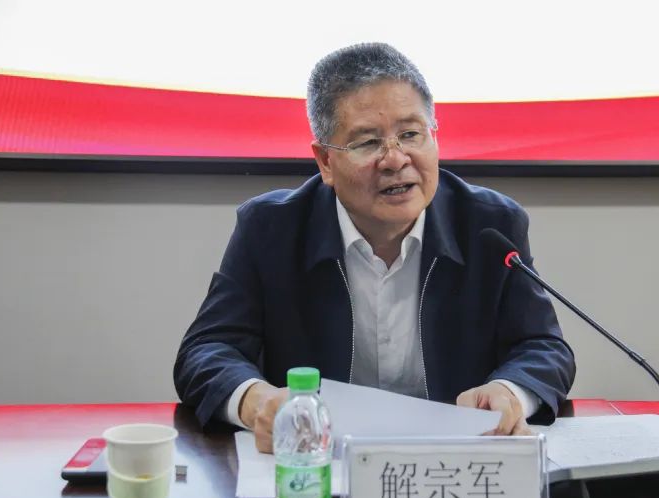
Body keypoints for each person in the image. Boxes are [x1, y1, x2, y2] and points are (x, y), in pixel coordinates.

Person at [174, 43, 575, 453]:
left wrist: (509, 391)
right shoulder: (270, 229)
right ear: (325, 162)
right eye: (368, 142)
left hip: (451, 463)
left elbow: (543, 348)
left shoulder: (491, 225)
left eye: (411, 134)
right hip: (321, 463)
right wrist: (257, 402)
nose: (395, 159)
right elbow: (206, 351)